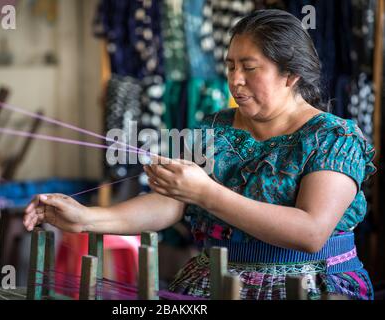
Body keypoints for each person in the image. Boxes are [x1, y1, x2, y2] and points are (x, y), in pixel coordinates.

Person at [23, 9, 376, 300]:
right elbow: (170, 203)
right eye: (230, 66)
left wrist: (205, 192)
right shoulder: (214, 128)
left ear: (291, 74)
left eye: (249, 68)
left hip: (311, 287)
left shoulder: (334, 137)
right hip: (215, 284)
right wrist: (87, 218)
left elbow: (311, 231)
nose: (234, 80)